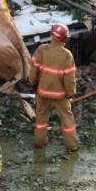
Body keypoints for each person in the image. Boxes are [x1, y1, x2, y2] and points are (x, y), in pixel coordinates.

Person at [29, 23, 80, 151]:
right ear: (64, 38)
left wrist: (33, 84)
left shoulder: (42, 49)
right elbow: (69, 77)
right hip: (60, 94)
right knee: (66, 117)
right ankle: (72, 144)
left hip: (42, 91)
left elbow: (33, 70)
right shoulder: (66, 54)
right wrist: (70, 93)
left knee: (41, 117)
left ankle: (39, 141)